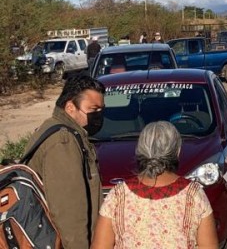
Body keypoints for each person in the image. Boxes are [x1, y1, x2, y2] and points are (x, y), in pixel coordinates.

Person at [90, 121, 217, 249]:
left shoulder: (118, 196)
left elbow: (101, 246)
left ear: (139, 151)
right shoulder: (193, 195)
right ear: (177, 152)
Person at [25, 74, 106, 249]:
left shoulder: (57, 128)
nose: (98, 116)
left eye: (101, 110)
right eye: (93, 110)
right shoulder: (63, 142)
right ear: (70, 107)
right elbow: (69, 213)